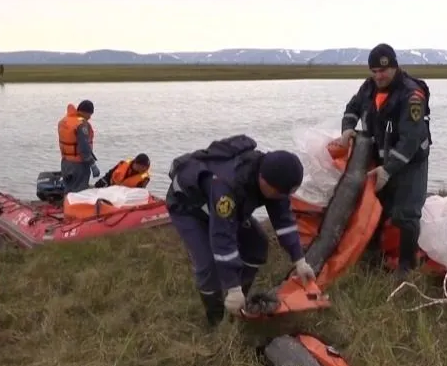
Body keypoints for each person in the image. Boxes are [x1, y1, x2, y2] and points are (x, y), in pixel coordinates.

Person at [165, 134, 316, 327]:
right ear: (263, 179)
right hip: (188, 207)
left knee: (257, 245)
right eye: (278, 193)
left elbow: (284, 221)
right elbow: (222, 237)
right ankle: (217, 320)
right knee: (208, 264)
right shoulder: (227, 186)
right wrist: (232, 285)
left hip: (220, 206)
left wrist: (299, 260)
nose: (280, 197)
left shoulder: (275, 180)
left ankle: (238, 302)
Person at [339, 43, 432, 279]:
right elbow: (352, 107)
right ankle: (374, 254)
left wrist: (388, 170)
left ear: (395, 67)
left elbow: (411, 139)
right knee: (378, 207)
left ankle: (406, 265)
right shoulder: (368, 88)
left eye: (384, 70)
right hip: (380, 158)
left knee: (406, 213)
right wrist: (348, 128)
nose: (379, 75)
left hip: (410, 162)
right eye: (375, 71)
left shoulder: (412, 95)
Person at [57, 100, 100, 193]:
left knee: (68, 189)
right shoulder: (81, 124)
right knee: (79, 192)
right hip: (79, 165)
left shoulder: (63, 121)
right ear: (86, 112)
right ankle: (76, 207)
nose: (89, 117)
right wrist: (92, 164)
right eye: (90, 114)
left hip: (66, 163)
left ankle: (67, 206)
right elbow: (84, 147)